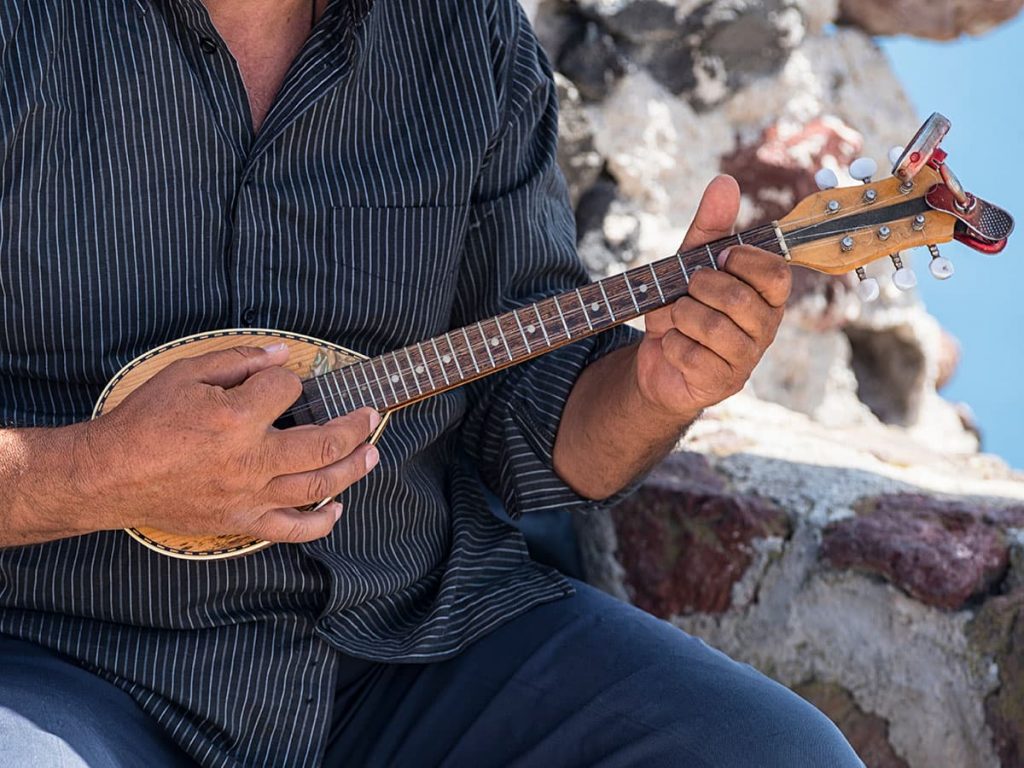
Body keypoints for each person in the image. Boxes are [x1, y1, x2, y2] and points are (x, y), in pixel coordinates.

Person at [0, 1, 863, 766]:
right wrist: (94, 472)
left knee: (775, 751)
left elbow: (528, 425)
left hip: (406, 653)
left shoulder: (466, 34)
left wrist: (659, 391)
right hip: (60, 660)